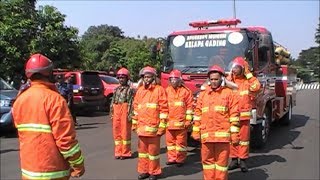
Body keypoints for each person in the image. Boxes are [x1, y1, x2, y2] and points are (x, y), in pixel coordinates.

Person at [12, 53, 85, 180]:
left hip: (29, 172)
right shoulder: (55, 99)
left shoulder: (20, 99)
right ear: (48, 73)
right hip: (53, 172)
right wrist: (78, 164)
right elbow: (65, 140)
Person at [191, 65, 240, 180]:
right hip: (207, 137)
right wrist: (196, 131)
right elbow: (197, 114)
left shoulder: (229, 94)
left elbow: (234, 116)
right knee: (207, 164)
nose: (213, 81)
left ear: (222, 79)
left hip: (222, 138)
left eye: (216, 79)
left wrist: (234, 135)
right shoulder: (203, 95)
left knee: (221, 165)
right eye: (211, 79)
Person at [131, 66, 168, 180]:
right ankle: (144, 171)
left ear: (153, 77)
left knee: (153, 153)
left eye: (149, 77)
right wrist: (134, 123)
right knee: (142, 153)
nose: (147, 79)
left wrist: (162, 126)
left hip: (153, 128)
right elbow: (136, 108)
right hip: (142, 129)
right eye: (145, 77)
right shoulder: (140, 91)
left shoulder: (159, 90)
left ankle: (154, 172)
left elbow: (164, 109)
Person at [227, 57, 261, 172]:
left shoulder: (248, 82)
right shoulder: (230, 82)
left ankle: (243, 160)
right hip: (232, 116)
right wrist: (230, 76)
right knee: (232, 138)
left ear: (243, 69)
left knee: (244, 139)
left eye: (237, 68)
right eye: (233, 67)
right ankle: (233, 159)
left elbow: (256, 87)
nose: (234, 70)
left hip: (244, 116)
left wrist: (248, 74)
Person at [165, 69, 193, 167]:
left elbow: (190, 107)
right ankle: (172, 158)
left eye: (175, 79)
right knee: (170, 143)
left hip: (181, 123)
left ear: (179, 80)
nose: (173, 81)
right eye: (171, 79)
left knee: (180, 143)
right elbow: (163, 106)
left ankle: (180, 159)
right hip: (169, 123)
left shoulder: (186, 92)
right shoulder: (167, 91)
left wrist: (188, 120)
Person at [110, 68, 135, 160]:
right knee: (116, 131)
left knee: (125, 132)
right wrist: (112, 112)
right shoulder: (116, 89)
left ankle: (125, 152)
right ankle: (118, 151)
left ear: (127, 79)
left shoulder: (130, 90)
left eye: (123, 78)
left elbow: (131, 103)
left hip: (125, 110)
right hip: (116, 110)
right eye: (120, 77)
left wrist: (130, 114)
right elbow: (112, 102)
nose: (121, 79)